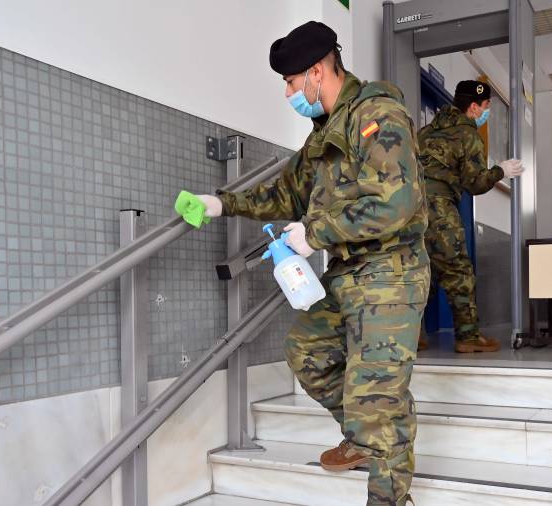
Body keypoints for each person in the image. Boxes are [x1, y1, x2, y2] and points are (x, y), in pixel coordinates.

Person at [192, 21, 428, 506]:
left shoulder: (377, 113)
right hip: (346, 273)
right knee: (308, 351)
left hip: (391, 273)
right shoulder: (324, 132)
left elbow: (398, 201)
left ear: (318, 71)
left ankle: (388, 493)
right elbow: (285, 192)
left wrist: (315, 232)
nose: (288, 93)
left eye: (291, 81)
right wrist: (222, 204)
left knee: (377, 396)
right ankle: (364, 433)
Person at [416, 80, 524, 353]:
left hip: (410, 209)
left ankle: (412, 336)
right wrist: (501, 171)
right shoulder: (468, 134)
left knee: (419, 272)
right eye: (486, 107)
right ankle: (468, 337)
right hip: (439, 209)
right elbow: (475, 184)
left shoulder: (425, 132)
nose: (486, 113)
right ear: (474, 107)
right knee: (458, 272)